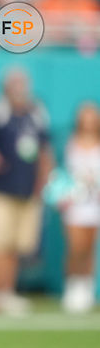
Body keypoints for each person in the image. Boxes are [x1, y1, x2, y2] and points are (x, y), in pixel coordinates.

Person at [0, 67, 52, 315]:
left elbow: (44, 151)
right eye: (14, 83)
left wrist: (42, 181)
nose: (19, 88)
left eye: (22, 83)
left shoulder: (36, 113)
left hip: (26, 191)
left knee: (16, 245)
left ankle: (6, 292)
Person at [57, 102, 100, 313]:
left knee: (90, 247)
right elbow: (66, 174)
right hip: (75, 203)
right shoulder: (71, 142)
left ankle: (87, 288)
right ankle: (72, 287)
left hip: (95, 204)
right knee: (76, 247)